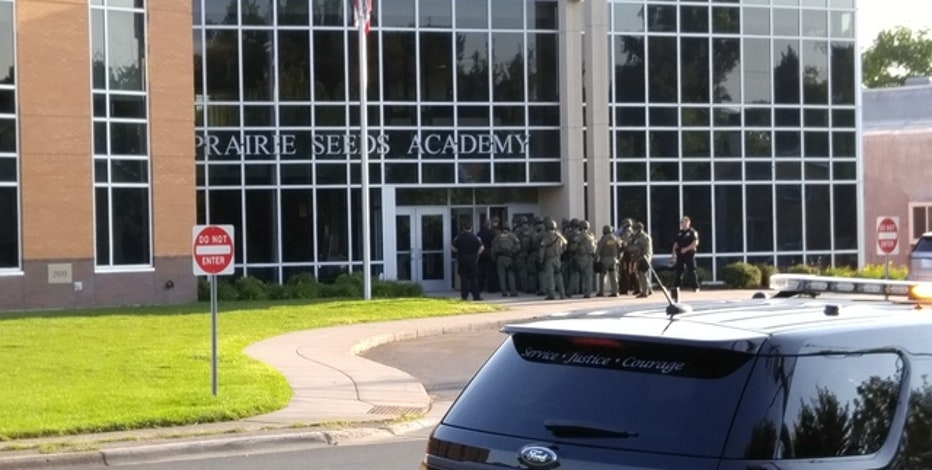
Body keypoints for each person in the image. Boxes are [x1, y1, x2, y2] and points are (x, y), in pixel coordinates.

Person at [452, 222, 484, 301]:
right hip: (472, 260)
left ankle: (464, 296)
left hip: (462, 259)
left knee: (464, 279)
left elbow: (453, 248)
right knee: (474, 279)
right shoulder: (476, 237)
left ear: (463, 228)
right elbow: (482, 248)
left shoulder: (458, 237)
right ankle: (476, 296)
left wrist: (458, 251)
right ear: (471, 228)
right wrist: (477, 255)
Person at [539, 219, 567, 300]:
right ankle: (562, 294)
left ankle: (551, 294)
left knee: (550, 277)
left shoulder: (547, 236)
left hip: (549, 259)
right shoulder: (559, 236)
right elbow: (565, 246)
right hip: (557, 258)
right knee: (559, 276)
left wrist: (541, 259)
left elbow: (542, 247)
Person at [672, 216, 701, 293]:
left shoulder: (692, 232)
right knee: (679, 271)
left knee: (692, 271)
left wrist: (686, 249)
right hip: (680, 255)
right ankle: (676, 287)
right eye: (682, 222)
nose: (683, 223)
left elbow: (695, 243)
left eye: (684, 222)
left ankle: (695, 287)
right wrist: (673, 253)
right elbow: (676, 243)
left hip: (689, 254)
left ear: (688, 222)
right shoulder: (679, 232)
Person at [569, 220, 597, 298]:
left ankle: (569, 291)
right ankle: (588, 293)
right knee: (588, 277)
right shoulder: (592, 236)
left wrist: (571, 250)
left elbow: (573, 247)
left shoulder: (580, 235)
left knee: (575, 275)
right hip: (589, 257)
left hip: (580, 257)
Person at [491, 224, 521, 297]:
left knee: (501, 275)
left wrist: (493, 258)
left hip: (500, 257)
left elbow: (493, 246)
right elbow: (518, 245)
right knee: (511, 274)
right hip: (509, 257)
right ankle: (513, 291)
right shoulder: (511, 235)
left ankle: (503, 291)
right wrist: (513, 252)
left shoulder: (498, 236)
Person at [595, 224, 621, 296]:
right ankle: (615, 291)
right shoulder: (615, 239)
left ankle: (602, 291)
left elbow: (599, 250)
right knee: (613, 276)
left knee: (603, 276)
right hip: (613, 259)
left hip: (604, 259)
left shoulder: (603, 239)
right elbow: (620, 249)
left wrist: (595, 258)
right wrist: (618, 258)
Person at [630, 221, 654, 298]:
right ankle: (649, 289)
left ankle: (644, 292)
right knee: (642, 274)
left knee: (642, 274)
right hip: (641, 257)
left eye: (634, 230)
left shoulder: (643, 237)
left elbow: (637, 248)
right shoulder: (638, 237)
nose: (633, 231)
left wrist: (628, 247)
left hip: (644, 257)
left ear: (638, 230)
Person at [476, 217, 498, 294]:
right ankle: (491, 288)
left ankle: (480, 288)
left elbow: (477, 243)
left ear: (483, 225)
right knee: (491, 271)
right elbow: (496, 244)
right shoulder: (493, 233)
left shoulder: (479, 233)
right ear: (489, 225)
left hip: (482, 253)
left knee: (480, 271)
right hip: (490, 253)